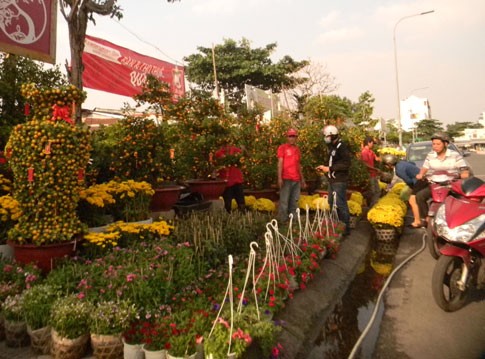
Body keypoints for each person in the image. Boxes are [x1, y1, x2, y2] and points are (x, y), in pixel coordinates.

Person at [414, 132, 470, 227]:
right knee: (419, 196)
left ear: (445, 144)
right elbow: (425, 168)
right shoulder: (430, 155)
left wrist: (464, 174)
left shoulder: (455, 155)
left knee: (463, 200)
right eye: (433, 144)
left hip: (451, 184)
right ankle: (426, 218)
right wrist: (421, 174)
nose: (435, 146)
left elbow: (463, 168)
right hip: (434, 184)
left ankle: (463, 221)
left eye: (438, 144)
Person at [316, 125, 352, 236]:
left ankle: (345, 227)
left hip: (339, 181)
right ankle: (336, 225)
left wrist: (330, 169)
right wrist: (324, 167)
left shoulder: (342, 147)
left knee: (340, 203)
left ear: (333, 136)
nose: (326, 138)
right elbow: (333, 162)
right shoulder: (333, 147)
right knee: (331, 202)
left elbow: (346, 164)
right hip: (332, 180)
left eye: (327, 136)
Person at [382, 154, 423, 228]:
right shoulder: (402, 162)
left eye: (385, 165)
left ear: (389, 164)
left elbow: (409, 181)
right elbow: (413, 164)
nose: (385, 167)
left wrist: (410, 188)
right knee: (418, 199)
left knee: (412, 201)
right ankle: (423, 218)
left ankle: (417, 221)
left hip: (418, 181)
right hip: (422, 178)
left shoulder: (398, 170)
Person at [277, 128, 306, 223]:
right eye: (290, 136)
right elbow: (280, 163)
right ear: (287, 137)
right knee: (284, 201)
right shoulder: (282, 148)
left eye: (294, 136)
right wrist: (279, 178)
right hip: (286, 178)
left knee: (295, 200)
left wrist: (302, 179)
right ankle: (283, 220)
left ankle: (293, 220)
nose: (292, 138)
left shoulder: (297, 149)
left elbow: (298, 165)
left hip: (296, 179)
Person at [215, 141, 245, 213]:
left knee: (241, 202)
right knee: (228, 204)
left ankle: (243, 216)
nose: (227, 146)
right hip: (227, 182)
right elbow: (226, 159)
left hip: (237, 180)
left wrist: (243, 150)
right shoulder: (219, 153)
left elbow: (243, 155)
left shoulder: (234, 149)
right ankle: (229, 217)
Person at [360, 136, 381, 207]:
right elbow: (365, 164)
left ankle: (373, 205)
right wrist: (375, 169)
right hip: (369, 174)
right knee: (372, 191)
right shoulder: (364, 152)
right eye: (372, 143)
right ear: (368, 143)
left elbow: (376, 158)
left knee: (377, 191)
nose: (373, 145)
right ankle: (369, 205)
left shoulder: (371, 151)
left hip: (374, 174)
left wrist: (384, 158)